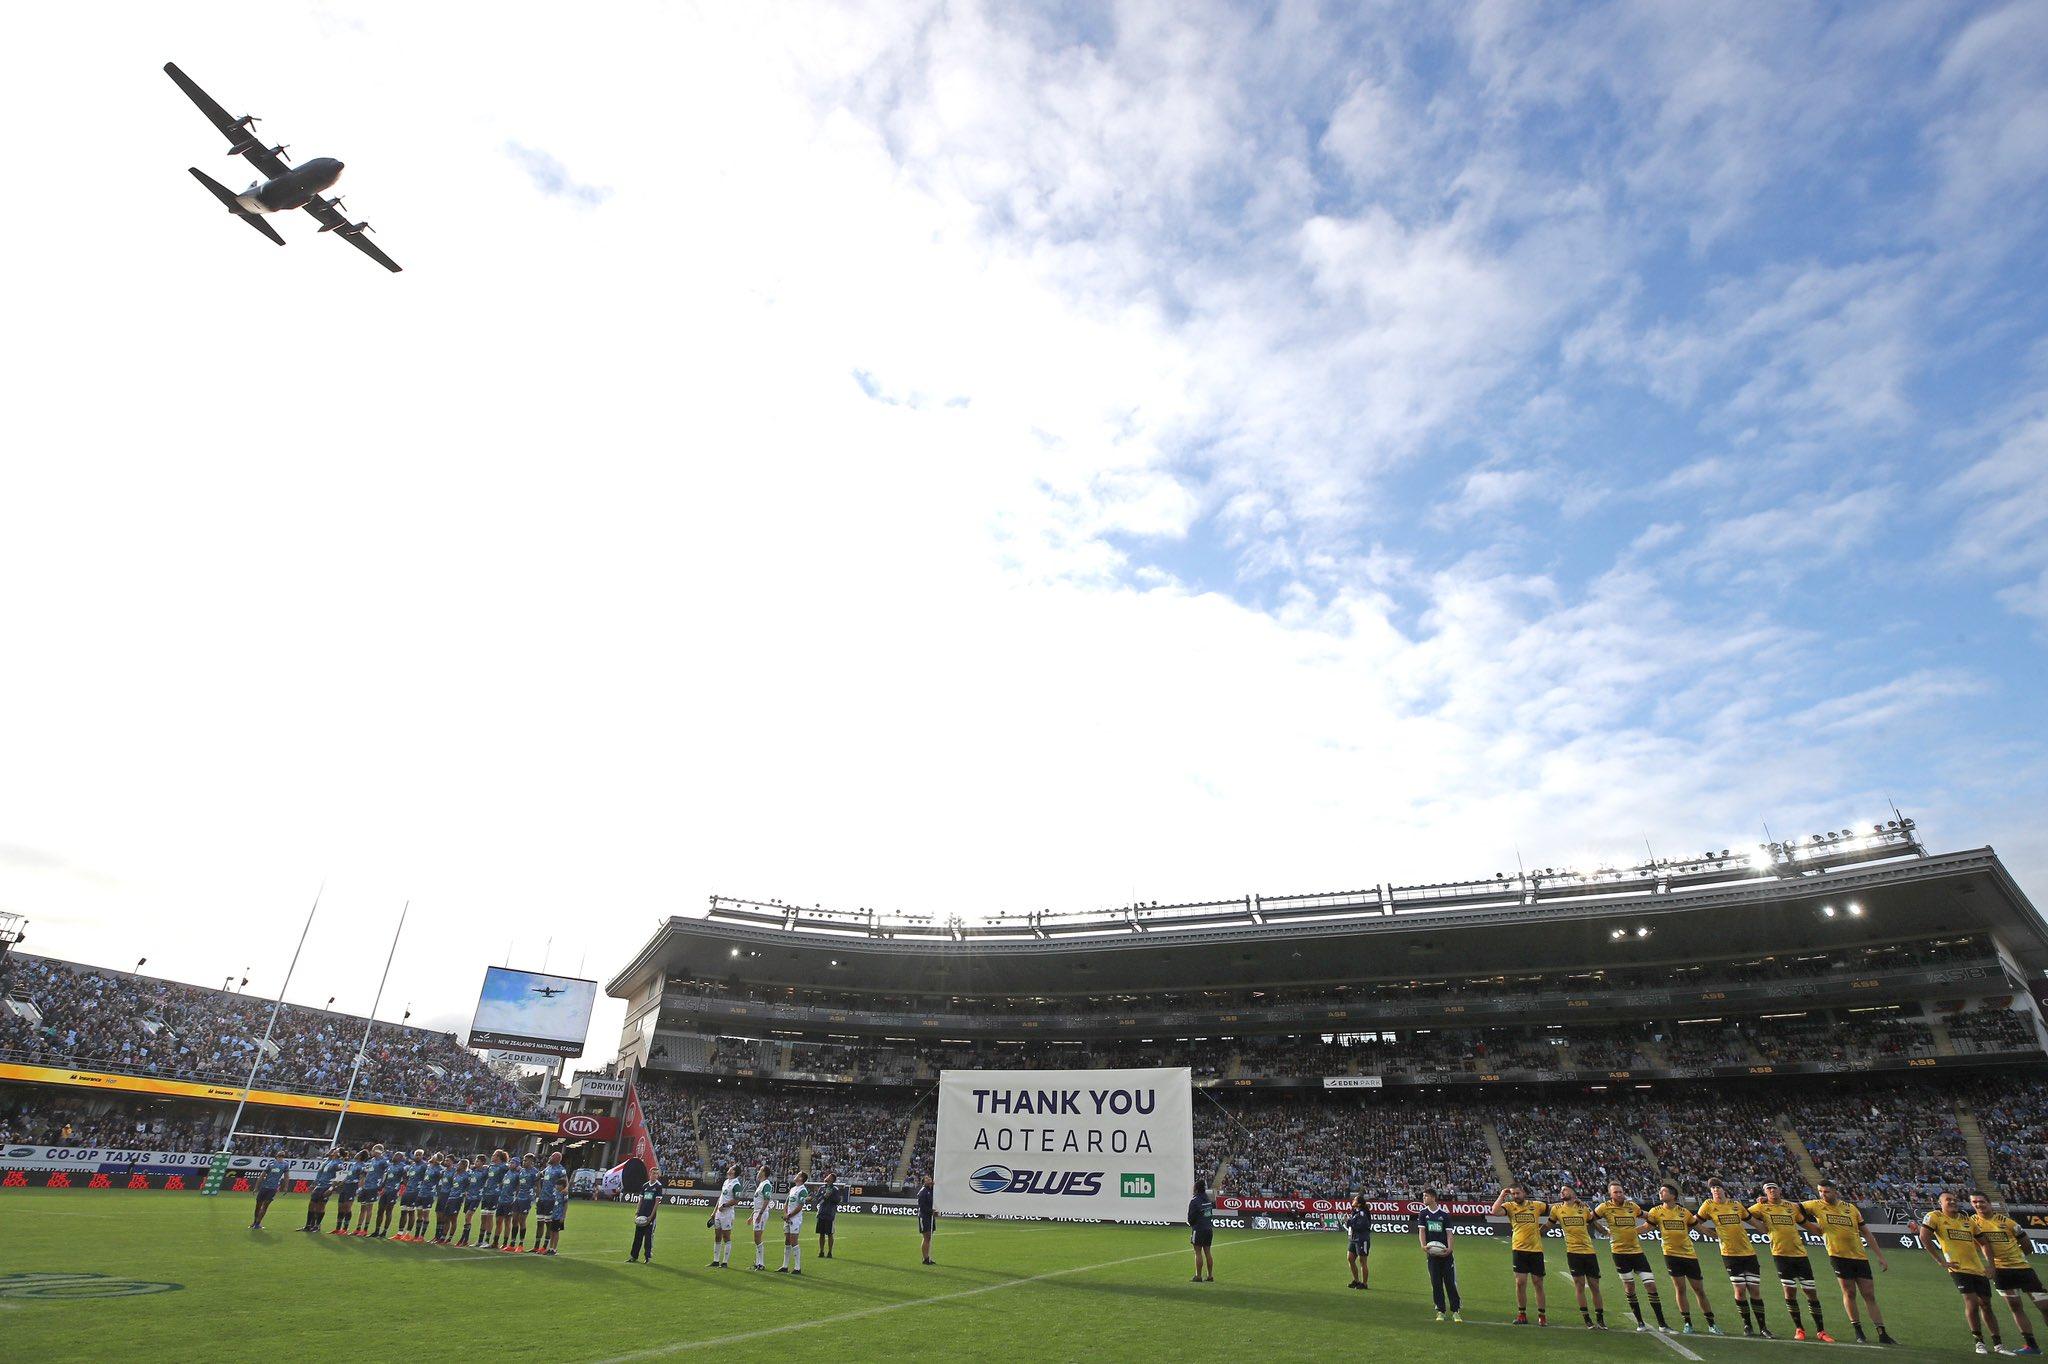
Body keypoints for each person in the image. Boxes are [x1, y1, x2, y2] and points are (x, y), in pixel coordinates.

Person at [1804, 1179, 1895, 1345]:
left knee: (1869, 1294)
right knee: (1849, 1293)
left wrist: (1880, 1256)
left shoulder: (1850, 1208)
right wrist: (1812, 1228)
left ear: (1835, 1191)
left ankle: (1882, 1332)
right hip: (1838, 1257)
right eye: (1820, 1191)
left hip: (1860, 1257)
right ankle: (1858, 1331)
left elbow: (1866, 1233)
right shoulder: (1815, 1205)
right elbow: (1790, 1208)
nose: (1823, 1195)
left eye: (1826, 1191)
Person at [1924, 1190, 2005, 1355]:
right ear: (1940, 1203)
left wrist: (1990, 1265)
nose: (1953, 1202)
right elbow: (1924, 1236)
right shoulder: (1935, 1216)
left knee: (1986, 1304)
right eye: (1948, 1200)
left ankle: (1998, 1344)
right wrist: (1940, 1261)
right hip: (1958, 1268)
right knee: (1972, 1302)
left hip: (1978, 1269)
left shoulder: (1967, 1220)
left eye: (1954, 1199)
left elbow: (1984, 1243)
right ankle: (1979, 1342)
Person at [1748, 1182, 1828, 1341]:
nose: (1771, 1190)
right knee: (1790, 1292)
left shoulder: (1791, 1207)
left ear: (1780, 1190)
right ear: (1765, 1192)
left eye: (1774, 1188)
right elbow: (1743, 1213)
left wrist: (1823, 1233)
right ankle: (1799, 1329)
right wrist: (1760, 1225)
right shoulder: (1761, 1207)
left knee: (1810, 1292)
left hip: (1800, 1255)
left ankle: (1821, 1331)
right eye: (1768, 1189)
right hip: (1780, 1255)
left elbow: (1805, 1223)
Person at [1973, 1191, 2048, 1355]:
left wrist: (2017, 1257)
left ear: (1989, 1202)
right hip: (2000, 1271)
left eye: (1981, 1201)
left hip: (2022, 1269)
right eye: (1974, 1202)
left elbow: (2027, 1244)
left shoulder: (2007, 1222)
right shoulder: (1972, 1223)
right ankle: (2032, 1346)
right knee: (2015, 1307)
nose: (1978, 1205)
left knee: (2045, 1306)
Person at [1595, 1182, 1668, 1332]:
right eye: (1616, 1192)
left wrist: (1656, 1220)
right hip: (1619, 1253)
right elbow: (1590, 1218)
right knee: (1629, 1287)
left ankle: (1662, 1324)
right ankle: (1640, 1322)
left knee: (1651, 1285)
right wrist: (1603, 1231)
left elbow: (1649, 1216)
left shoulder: (1632, 1206)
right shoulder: (1604, 1207)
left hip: (1637, 1252)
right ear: (1610, 1194)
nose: (1619, 1194)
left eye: (1621, 1191)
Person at [1699, 1178, 1767, 1337]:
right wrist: (1709, 1233)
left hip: (1749, 1253)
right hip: (1729, 1254)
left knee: (1755, 1290)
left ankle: (1763, 1327)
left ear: (1724, 1189)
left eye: (1718, 1187)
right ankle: (1747, 1325)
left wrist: (1768, 1231)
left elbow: (1753, 1221)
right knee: (1740, 1290)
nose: (1715, 1190)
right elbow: (1694, 1222)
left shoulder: (1736, 1205)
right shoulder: (1708, 1206)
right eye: (1712, 1188)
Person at [1643, 1185, 1711, 1334]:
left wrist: (1717, 1235)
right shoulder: (1656, 1211)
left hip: (1689, 1255)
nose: (1660, 1193)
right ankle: (1688, 1323)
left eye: (1664, 1191)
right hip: (1671, 1255)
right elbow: (1646, 1227)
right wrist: (1625, 1232)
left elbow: (1699, 1228)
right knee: (1680, 1289)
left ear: (1673, 1195)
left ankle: (1711, 1323)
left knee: (1699, 1289)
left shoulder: (1684, 1212)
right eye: (1660, 1191)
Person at [1550, 1183, 1607, 1329]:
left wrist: (1607, 1232)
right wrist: (1536, 1232)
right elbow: (1548, 1225)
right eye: (1561, 1190)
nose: (1562, 1191)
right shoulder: (1556, 1208)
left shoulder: (1584, 1208)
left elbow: (1593, 1223)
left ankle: (1600, 1318)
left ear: (1574, 1193)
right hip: (1573, 1252)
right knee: (1580, 1285)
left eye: (1565, 1190)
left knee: (1595, 1286)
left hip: (1589, 1252)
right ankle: (1587, 1318)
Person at [1492, 1183, 1548, 1326]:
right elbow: (1495, 1211)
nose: (1515, 1196)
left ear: (1523, 1192)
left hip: (1536, 1250)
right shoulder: (1510, 1206)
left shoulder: (1536, 1205)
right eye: (1513, 1194)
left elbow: (1554, 1208)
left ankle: (1542, 1315)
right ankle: (1522, 1314)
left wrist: (1572, 1200)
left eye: (1517, 1193)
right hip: (1519, 1249)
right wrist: (1502, 1195)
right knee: (1520, 1283)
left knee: (1538, 1283)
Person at [1416, 1189, 1462, 1322]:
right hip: (1432, 1254)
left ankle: (1455, 1310)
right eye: (1423, 1196)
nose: (1424, 1198)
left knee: (1450, 1283)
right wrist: (1423, 1245)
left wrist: (1449, 1249)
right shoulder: (1423, 1214)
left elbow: (1449, 1234)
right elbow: (1422, 1231)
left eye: (1426, 1196)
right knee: (1436, 1283)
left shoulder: (1444, 1215)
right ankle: (1440, 1310)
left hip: (1445, 1255)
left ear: (1433, 1198)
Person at [304, 1147, 344, 1233]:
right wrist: (314, 1184)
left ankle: (317, 1226)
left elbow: (339, 1177)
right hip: (320, 1185)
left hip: (327, 1186)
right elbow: (320, 1174)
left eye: (335, 1151)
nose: (332, 1151)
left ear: (338, 1154)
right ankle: (308, 1225)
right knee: (312, 1204)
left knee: (321, 1206)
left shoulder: (339, 1163)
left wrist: (331, 1189)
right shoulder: (328, 1161)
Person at [537, 1153, 569, 1255]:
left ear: (557, 1158)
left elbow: (565, 1180)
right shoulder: (548, 1168)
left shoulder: (561, 1169)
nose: (549, 1157)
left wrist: (566, 1188)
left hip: (552, 1201)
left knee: (551, 1226)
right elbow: (538, 1175)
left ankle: (551, 1248)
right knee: (542, 1223)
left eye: (551, 1156)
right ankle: (541, 1247)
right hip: (543, 1198)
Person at [778, 1172, 810, 1274]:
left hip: (795, 1220)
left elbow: (800, 1206)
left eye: (798, 1174)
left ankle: (797, 1267)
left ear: (801, 1178)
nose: (795, 1175)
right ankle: (785, 1266)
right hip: (788, 1218)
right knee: (787, 1241)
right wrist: (785, 1214)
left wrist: (790, 1215)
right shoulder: (792, 1189)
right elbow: (787, 1202)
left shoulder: (803, 1190)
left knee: (794, 1241)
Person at [710, 1162, 741, 1268]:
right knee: (717, 1236)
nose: (729, 1169)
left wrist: (725, 1205)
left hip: (727, 1214)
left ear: (734, 1172)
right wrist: (714, 1212)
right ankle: (715, 1260)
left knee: (726, 1237)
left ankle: (725, 1262)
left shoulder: (736, 1184)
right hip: (719, 1213)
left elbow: (736, 1200)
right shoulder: (726, 1181)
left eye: (731, 1168)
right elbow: (721, 1197)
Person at [630, 1166, 663, 1263]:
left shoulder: (658, 1186)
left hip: (650, 1216)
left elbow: (657, 1203)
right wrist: (637, 1212)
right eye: (653, 1173)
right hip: (641, 1215)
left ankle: (647, 1257)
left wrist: (651, 1216)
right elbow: (640, 1200)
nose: (655, 1175)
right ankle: (634, 1256)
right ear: (650, 1174)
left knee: (648, 1238)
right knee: (637, 1237)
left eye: (656, 1174)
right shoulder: (645, 1186)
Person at [355, 1143, 388, 1237]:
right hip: (366, 1186)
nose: (372, 1152)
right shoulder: (371, 1161)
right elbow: (365, 1173)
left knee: (369, 1208)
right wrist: (361, 1186)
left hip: (373, 1187)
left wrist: (381, 1185)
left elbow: (387, 1173)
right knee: (362, 1208)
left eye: (373, 1150)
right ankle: (358, 1228)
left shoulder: (383, 1161)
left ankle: (365, 1229)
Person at [475, 1149, 506, 1249]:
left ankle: (487, 1240)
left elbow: (512, 1171)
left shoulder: (503, 1167)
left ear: (499, 1157)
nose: (492, 1156)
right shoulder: (490, 1167)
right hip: (486, 1193)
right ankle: (480, 1240)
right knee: (483, 1216)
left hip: (495, 1194)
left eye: (494, 1155)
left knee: (489, 1216)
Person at [331, 1148, 366, 1234]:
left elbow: (362, 1178)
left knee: (347, 1207)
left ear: (360, 1156)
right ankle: (338, 1228)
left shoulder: (362, 1166)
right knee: (340, 1206)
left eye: (358, 1153)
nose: (356, 1154)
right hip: (346, 1186)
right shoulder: (354, 1164)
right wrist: (338, 1185)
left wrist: (359, 1189)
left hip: (352, 1187)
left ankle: (345, 1229)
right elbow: (347, 1177)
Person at [251, 1155, 291, 1231]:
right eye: (280, 1156)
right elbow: (262, 1175)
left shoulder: (283, 1164)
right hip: (267, 1187)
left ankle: (256, 1223)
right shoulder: (274, 1164)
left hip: (271, 1188)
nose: (281, 1158)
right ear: (277, 1157)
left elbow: (286, 1177)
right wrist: (256, 1187)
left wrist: (286, 1187)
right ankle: (255, 1223)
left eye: (282, 1156)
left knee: (264, 1205)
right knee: (259, 1205)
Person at [1188, 1178, 1214, 1283]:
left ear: (1196, 1189)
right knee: (1208, 1252)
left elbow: (1190, 1218)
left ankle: (1198, 1276)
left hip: (1198, 1229)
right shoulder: (1208, 1200)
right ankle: (1210, 1275)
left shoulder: (1194, 1201)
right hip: (1208, 1228)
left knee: (1198, 1252)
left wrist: (1192, 1224)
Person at [750, 1164, 775, 1270]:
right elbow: (758, 1202)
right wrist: (752, 1215)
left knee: (757, 1238)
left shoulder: (766, 1185)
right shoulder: (761, 1184)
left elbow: (766, 1200)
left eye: (760, 1170)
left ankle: (761, 1263)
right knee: (756, 1238)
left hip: (762, 1214)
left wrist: (759, 1214)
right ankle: (758, 1262)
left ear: (764, 1172)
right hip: (757, 1213)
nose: (758, 1171)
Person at [1345, 1191, 1370, 1290]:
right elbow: (1353, 1224)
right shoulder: (1355, 1212)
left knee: (1362, 1261)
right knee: (1350, 1258)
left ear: (1359, 1203)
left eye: (1355, 1200)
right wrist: (1349, 1221)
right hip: (1354, 1238)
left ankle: (1364, 1283)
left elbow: (1360, 1226)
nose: (1353, 1200)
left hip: (1362, 1239)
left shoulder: (1362, 1213)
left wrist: (1349, 1222)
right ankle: (1356, 1280)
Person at [815, 1172, 841, 1259]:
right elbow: (818, 1199)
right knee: (821, 1234)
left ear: (832, 1179)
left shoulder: (835, 1189)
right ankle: (821, 1251)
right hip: (821, 1213)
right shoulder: (822, 1188)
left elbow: (837, 1200)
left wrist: (830, 1196)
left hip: (830, 1214)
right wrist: (824, 1195)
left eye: (828, 1176)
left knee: (830, 1234)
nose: (826, 1177)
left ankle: (830, 1252)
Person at [917, 1173, 937, 1266]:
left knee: (929, 1237)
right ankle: (925, 1258)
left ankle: (927, 1257)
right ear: (923, 1182)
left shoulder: (931, 1190)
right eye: (927, 1178)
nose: (929, 1179)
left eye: (929, 1177)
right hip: (924, 1216)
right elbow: (922, 1206)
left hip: (930, 1216)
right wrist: (931, 1211)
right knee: (927, 1237)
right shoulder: (923, 1192)